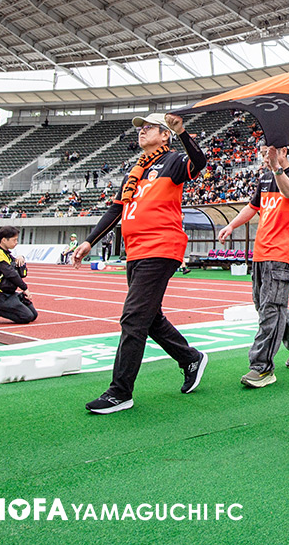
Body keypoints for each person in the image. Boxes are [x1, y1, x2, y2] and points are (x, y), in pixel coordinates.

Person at [72, 113, 209, 414]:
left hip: (161, 248)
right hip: (136, 251)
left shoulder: (173, 161)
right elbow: (115, 211)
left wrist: (183, 132)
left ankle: (120, 392)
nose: (141, 131)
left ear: (164, 134)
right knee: (149, 317)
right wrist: (89, 241)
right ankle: (190, 358)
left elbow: (199, 163)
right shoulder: (134, 172)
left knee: (133, 318)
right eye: (140, 128)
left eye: (148, 128)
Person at [217, 142, 289, 388]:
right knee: (265, 306)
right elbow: (252, 207)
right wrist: (231, 225)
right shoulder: (264, 178)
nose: (264, 158)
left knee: (271, 309)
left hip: (280, 254)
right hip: (260, 253)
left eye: (268, 153)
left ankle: (262, 368)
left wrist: (276, 169)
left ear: (283, 152)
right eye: (262, 154)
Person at [0, 225, 38, 325]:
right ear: (4, 240)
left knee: (34, 315)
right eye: (14, 240)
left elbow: (20, 272)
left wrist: (21, 258)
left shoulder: (6, 253)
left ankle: (12, 303)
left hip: (9, 292)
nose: (16, 242)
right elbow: (11, 274)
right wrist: (25, 288)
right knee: (26, 317)